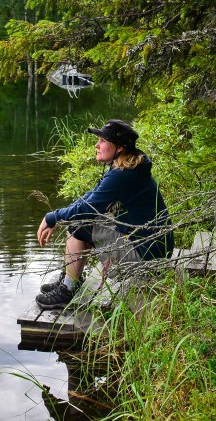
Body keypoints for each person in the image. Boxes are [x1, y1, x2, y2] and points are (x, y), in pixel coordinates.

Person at [35, 119, 174, 309]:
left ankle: (67, 289)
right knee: (80, 218)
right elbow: (88, 200)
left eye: (102, 141)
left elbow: (85, 209)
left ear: (119, 148)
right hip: (150, 249)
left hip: (146, 260)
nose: (96, 145)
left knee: (78, 224)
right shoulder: (126, 169)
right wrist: (57, 215)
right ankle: (69, 279)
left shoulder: (124, 175)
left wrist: (52, 217)